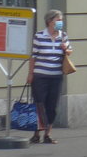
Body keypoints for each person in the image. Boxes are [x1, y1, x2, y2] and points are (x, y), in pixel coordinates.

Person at [27, 9, 71, 145]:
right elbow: (33, 57)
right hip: (40, 76)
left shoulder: (63, 36)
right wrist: (30, 74)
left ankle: (48, 134)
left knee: (52, 106)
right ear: (49, 21)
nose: (60, 22)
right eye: (58, 20)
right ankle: (36, 134)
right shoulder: (39, 36)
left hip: (56, 76)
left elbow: (70, 52)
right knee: (39, 105)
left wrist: (66, 49)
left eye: (61, 20)